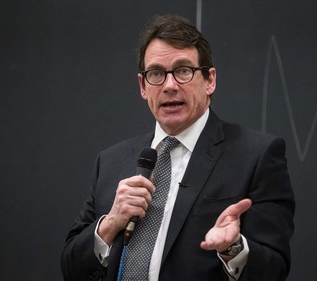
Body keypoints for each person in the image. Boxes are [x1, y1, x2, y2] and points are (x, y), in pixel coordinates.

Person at [61, 14, 295, 281]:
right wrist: (110, 224)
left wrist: (233, 248)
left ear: (210, 81)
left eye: (184, 70)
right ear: (143, 86)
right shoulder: (111, 161)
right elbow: (71, 269)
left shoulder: (256, 155)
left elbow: (274, 270)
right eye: (157, 74)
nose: (170, 85)